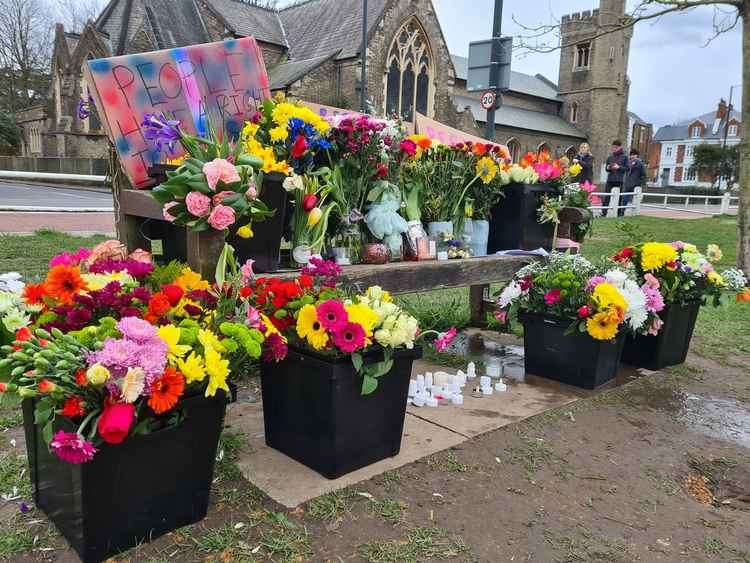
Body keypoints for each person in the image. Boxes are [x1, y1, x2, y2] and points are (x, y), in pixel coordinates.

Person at [602, 140, 628, 217]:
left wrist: (619, 167)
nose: (614, 149)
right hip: (610, 179)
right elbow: (606, 169)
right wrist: (608, 167)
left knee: (619, 197)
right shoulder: (610, 157)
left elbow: (627, 168)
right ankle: (604, 213)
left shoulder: (625, 157)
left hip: (619, 180)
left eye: (616, 147)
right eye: (613, 147)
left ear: (620, 147)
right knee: (607, 196)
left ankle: (619, 214)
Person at [622, 148, 646, 217]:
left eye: (633, 155)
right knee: (624, 199)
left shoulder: (640, 163)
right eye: (631, 155)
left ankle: (634, 213)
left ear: (637, 155)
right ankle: (622, 212)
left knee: (635, 200)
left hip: (635, 185)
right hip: (628, 184)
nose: (632, 156)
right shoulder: (628, 163)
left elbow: (643, 175)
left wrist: (640, 184)